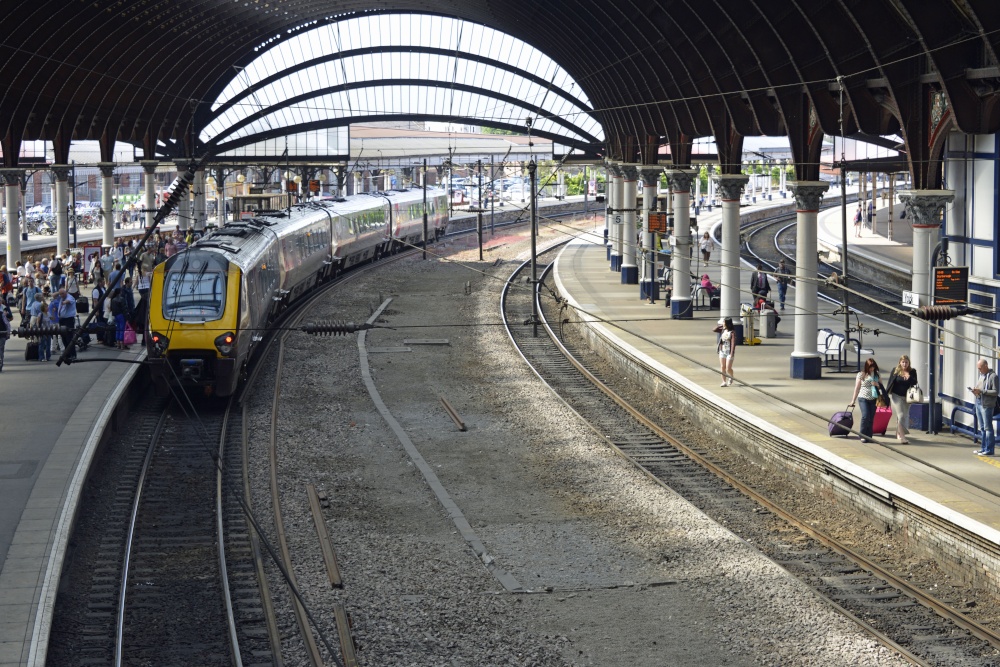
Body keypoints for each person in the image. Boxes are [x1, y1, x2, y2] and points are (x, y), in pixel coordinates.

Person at [886, 355, 918, 444]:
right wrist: (885, 395)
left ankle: (898, 432)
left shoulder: (912, 371)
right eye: (903, 362)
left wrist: (909, 377)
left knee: (905, 416)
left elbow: (915, 382)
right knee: (901, 415)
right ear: (900, 362)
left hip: (907, 397)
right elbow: (890, 382)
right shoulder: (895, 370)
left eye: (906, 362)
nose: (904, 364)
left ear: (909, 363)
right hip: (896, 396)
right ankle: (903, 437)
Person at [850, 357, 882, 442]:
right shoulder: (861, 374)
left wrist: (877, 384)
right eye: (870, 367)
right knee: (865, 416)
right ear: (866, 367)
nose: (872, 368)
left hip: (874, 399)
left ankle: (869, 436)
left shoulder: (877, 374)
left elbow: (881, 387)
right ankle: (862, 435)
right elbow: (857, 388)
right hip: (863, 398)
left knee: (871, 418)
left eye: (873, 367)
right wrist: (853, 400)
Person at [971, 358, 998, 456]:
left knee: (988, 428)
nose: (979, 370)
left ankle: (990, 449)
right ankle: (983, 448)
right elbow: (980, 388)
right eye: (978, 368)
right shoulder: (982, 375)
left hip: (987, 405)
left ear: (986, 366)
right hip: (979, 402)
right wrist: (975, 391)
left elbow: (995, 392)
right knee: (982, 428)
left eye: (980, 368)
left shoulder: (993, 376)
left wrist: (982, 391)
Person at [717, 316, 735, 387]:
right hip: (722, 351)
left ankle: (731, 377)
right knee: (722, 367)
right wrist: (722, 326)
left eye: (724, 322)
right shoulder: (723, 330)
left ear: (727, 323)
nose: (723, 323)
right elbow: (714, 329)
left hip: (729, 352)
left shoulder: (732, 332)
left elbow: (733, 343)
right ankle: (724, 381)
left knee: (728, 368)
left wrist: (731, 353)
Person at [0, 306, 10, 372]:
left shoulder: (1, 314)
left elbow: (7, 324)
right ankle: (1, 363)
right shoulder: (2, 314)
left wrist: (8, 332)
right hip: (2, 334)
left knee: (1, 348)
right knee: (1, 349)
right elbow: (7, 324)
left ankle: (0, 363)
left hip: (2, 334)